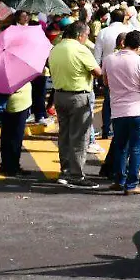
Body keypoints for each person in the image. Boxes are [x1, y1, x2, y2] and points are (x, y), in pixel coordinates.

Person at [49, 21, 103, 188]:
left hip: (59, 95)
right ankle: (76, 175)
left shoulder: (55, 48)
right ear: (80, 35)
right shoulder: (80, 49)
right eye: (86, 35)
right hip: (78, 96)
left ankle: (65, 171)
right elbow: (97, 72)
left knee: (64, 135)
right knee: (80, 137)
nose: (86, 38)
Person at [101, 30, 140, 194]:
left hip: (117, 110)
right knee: (136, 148)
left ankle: (119, 180)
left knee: (120, 147)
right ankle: (131, 185)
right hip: (136, 109)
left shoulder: (109, 59)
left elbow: (106, 82)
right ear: (138, 46)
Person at [94, 8, 129, 140]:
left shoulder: (103, 32)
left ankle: (106, 130)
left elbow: (97, 55)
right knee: (124, 101)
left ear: (111, 19)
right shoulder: (129, 30)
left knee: (108, 101)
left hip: (108, 70)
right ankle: (120, 129)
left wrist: (98, 75)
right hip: (127, 70)